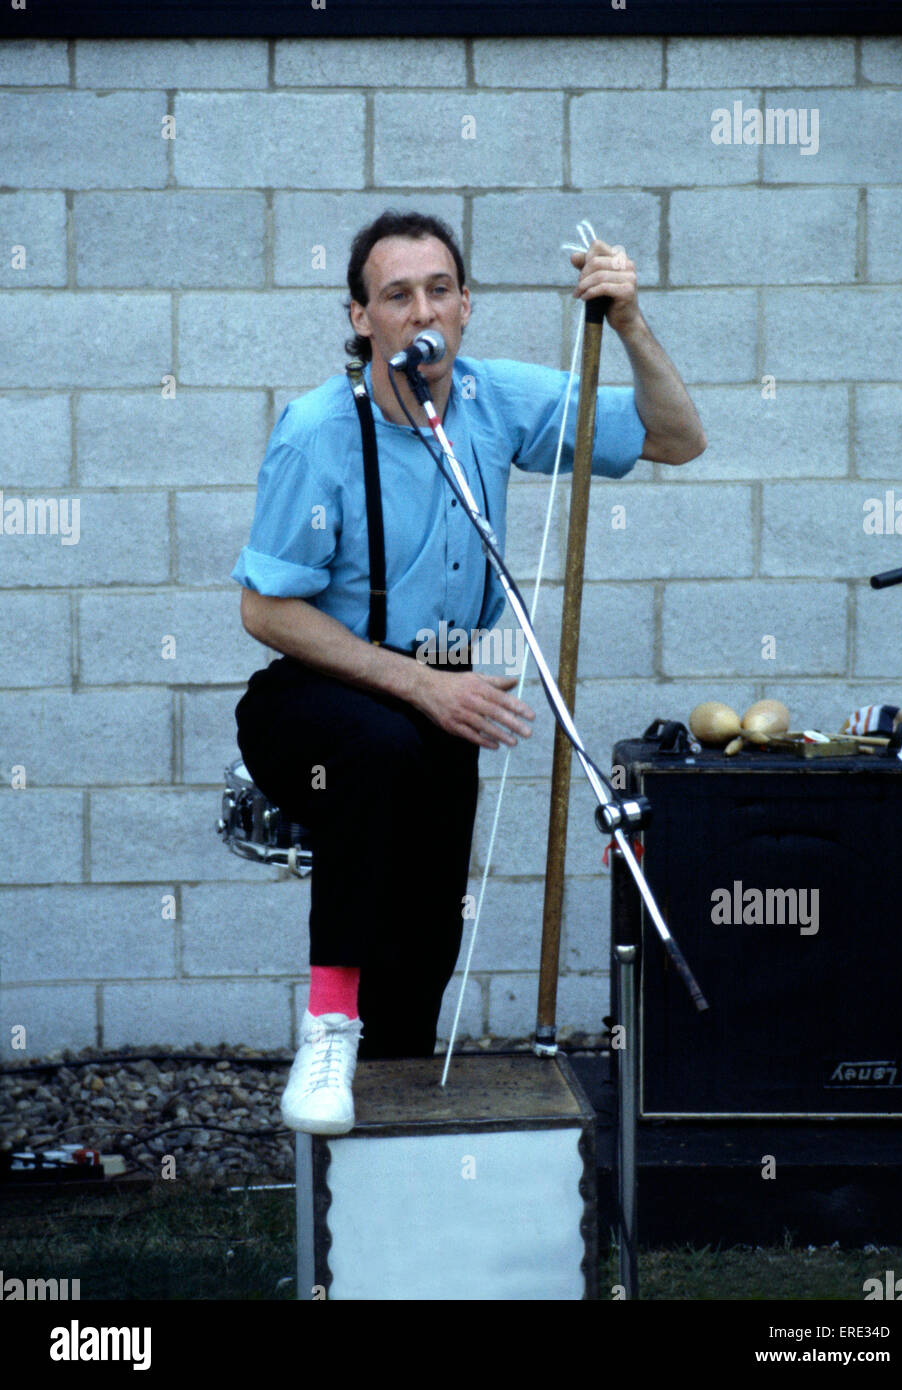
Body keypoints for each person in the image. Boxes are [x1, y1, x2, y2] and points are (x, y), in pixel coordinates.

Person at [231, 209, 705, 1135]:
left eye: (438, 289)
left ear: (466, 305)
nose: (422, 311)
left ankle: (382, 1121)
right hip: (319, 691)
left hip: (445, 690)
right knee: (375, 753)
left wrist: (633, 321)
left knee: (425, 929)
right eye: (397, 295)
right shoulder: (317, 431)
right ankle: (328, 1026)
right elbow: (265, 610)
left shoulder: (493, 402)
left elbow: (677, 437)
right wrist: (420, 686)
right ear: (362, 317)